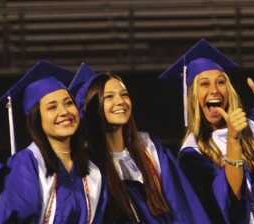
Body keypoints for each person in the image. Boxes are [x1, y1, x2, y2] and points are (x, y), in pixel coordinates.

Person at [69, 63, 210, 223]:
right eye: (109, 96)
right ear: (89, 107)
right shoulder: (86, 164)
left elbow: (180, 205)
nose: (120, 101)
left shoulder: (149, 147)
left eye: (124, 94)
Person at [159, 39, 254, 223]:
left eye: (221, 82)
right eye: (205, 84)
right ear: (192, 96)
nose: (214, 90)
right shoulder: (192, 156)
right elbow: (228, 200)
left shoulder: (252, 128)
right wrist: (233, 140)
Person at [0, 60, 106, 223]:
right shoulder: (26, 164)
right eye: (52, 107)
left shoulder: (92, 170)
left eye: (69, 103)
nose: (64, 111)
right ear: (37, 119)